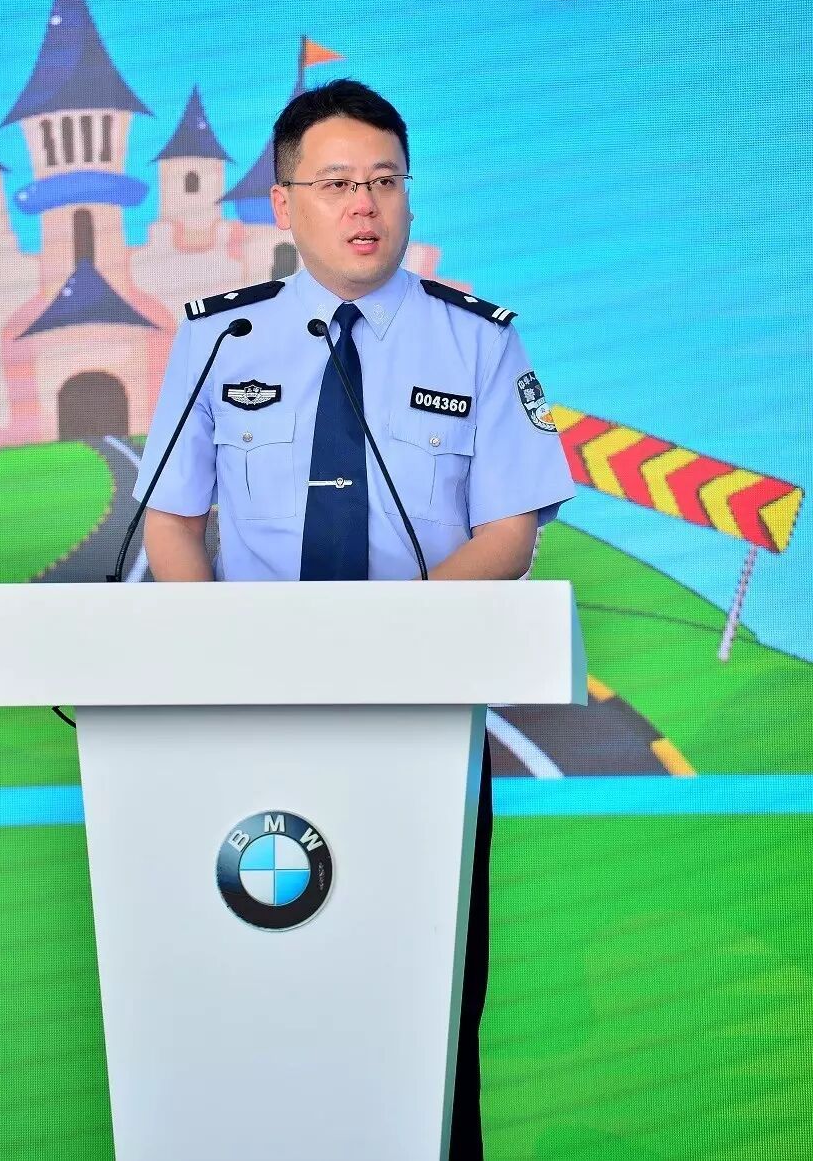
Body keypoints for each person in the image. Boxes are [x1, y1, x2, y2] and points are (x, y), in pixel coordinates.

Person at [134, 78, 575, 1159]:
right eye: (336, 184)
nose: (364, 204)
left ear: (408, 197)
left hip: (421, 727)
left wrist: (390, 647)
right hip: (244, 728)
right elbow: (173, 523)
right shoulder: (220, 339)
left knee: (424, 998)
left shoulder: (478, 344)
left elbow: (510, 531)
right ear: (285, 204)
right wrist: (215, 659)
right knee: (249, 983)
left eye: (384, 180)